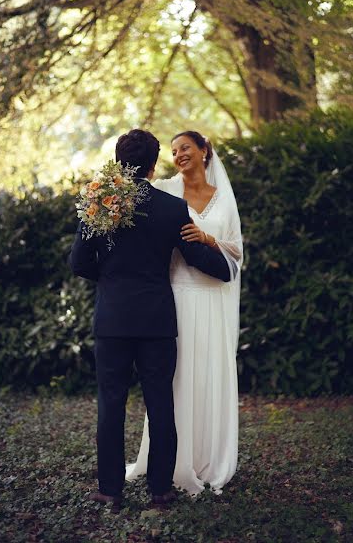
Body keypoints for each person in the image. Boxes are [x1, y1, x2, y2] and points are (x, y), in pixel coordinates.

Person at [69, 129, 231, 512]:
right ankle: (161, 490)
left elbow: (78, 263)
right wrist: (225, 262)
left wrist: (110, 283)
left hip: (112, 321)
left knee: (110, 404)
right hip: (157, 321)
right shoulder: (171, 208)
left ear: (118, 160)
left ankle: (110, 490)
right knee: (161, 405)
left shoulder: (97, 202)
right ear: (153, 164)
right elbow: (196, 259)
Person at [127, 131, 243, 495]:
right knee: (174, 380)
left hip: (214, 297)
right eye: (174, 151)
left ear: (204, 150)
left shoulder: (224, 197)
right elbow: (135, 193)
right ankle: (173, 462)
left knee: (210, 373)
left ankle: (211, 457)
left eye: (186, 148)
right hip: (176, 295)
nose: (179, 155)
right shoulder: (164, 189)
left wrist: (208, 239)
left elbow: (237, 250)